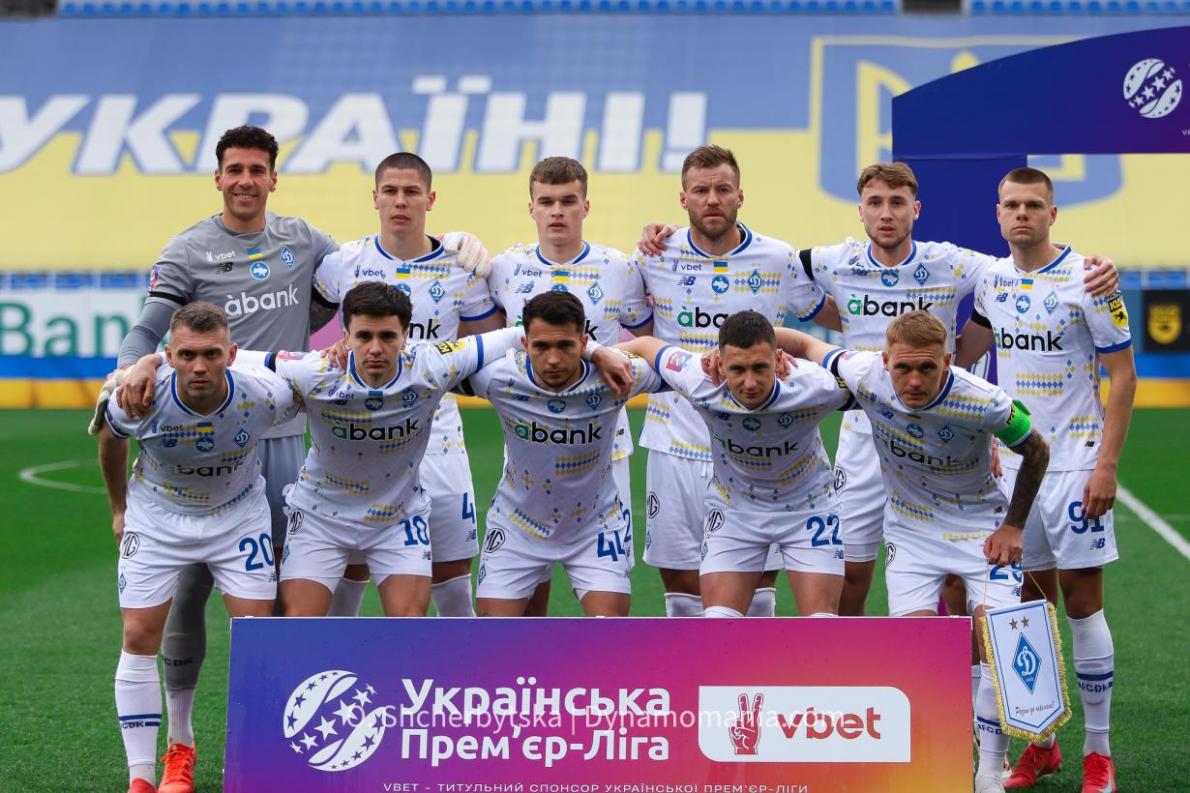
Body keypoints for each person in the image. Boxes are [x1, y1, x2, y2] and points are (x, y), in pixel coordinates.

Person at [105, 124, 338, 793]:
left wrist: (449, 249)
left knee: (284, 602)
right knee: (185, 594)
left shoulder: (304, 240)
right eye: (234, 169)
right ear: (218, 177)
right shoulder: (188, 249)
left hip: (278, 438)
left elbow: (360, 279)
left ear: (273, 178)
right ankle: (179, 746)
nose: (244, 180)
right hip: (197, 444)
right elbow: (147, 330)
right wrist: (137, 369)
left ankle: (279, 747)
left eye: (256, 169)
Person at [775, 311, 1050, 793]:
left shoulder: (985, 400)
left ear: (948, 360)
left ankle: (988, 774)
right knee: (921, 652)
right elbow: (802, 342)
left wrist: (1013, 526)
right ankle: (941, 761)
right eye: (903, 368)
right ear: (885, 361)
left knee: (997, 642)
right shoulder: (864, 373)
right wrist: (734, 350)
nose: (915, 380)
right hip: (911, 532)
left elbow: (1037, 450)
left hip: (981, 531)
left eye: (927, 367)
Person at [956, 167, 1135, 793]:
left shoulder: (1090, 278)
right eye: (1012, 205)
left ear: (1053, 213)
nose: (1022, 214)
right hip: (1016, 468)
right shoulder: (991, 280)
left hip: (1077, 464)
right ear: (998, 213)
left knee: (1082, 604)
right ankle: (1041, 743)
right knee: (1026, 607)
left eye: (1034, 205)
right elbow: (965, 356)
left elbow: (1123, 375)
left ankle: (1098, 754)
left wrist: (1106, 465)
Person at [97, 302, 300, 793]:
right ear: (169, 356)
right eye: (187, 355)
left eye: (212, 354)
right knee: (139, 633)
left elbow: (321, 389)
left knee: (256, 636)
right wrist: (119, 508)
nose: (200, 366)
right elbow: (110, 437)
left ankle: (255, 763)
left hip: (237, 516)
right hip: (157, 517)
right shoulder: (138, 395)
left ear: (232, 353)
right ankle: (147, 774)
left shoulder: (266, 393)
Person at [630, 145, 828, 618]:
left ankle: (754, 666)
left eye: (723, 189)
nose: (712, 199)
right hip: (676, 441)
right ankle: (693, 666)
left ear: (741, 195)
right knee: (681, 582)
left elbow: (837, 316)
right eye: (701, 191)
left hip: (761, 446)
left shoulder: (777, 257)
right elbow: (636, 332)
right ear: (683, 199)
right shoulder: (653, 256)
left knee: (757, 580)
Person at [310, 151, 504, 618]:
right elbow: (302, 328)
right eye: (391, 191)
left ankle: (461, 667)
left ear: (430, 199)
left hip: (438, 435)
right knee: (350, 566)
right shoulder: (342, 263)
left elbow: (489, 347)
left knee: (451, 573)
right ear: (375, 197)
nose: (400, 201)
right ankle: (340, 659)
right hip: (358, 436)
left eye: (412, 192)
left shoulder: (460, 266)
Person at [486, 156, 653, 615]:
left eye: (568, 201)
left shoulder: (620, 268)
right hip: (530, 441)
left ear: (586, 206)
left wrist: (599, 352)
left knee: (606, 597)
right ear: (531, 209)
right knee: (528, 589)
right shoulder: (504, 268)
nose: (557, 211)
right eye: (546, 202)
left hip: (603, 446)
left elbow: (645, 339)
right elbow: (491, 341)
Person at [619, 310, 851, 617]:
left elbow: (871, 378)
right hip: (735, 513)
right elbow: (646, 344)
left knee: (820, 624)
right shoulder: (698, 377)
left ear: (778, 359)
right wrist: (597, 353)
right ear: (720, 363)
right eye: (738, 369)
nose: (750, 382)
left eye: (760, 367)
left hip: (808, 512)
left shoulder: (814, 385)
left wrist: (806, 345)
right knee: (718, 625)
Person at [457, 291, 662, 617]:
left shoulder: (617, 376)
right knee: (494, 636)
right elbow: (426, 368)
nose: (553, 359)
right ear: (525, 344)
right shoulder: (499, 378)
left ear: (583, 343)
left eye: (565, 346)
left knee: (610, 633)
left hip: (595, 527)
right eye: (541, 347)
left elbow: (683, 369)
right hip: (517, 527)